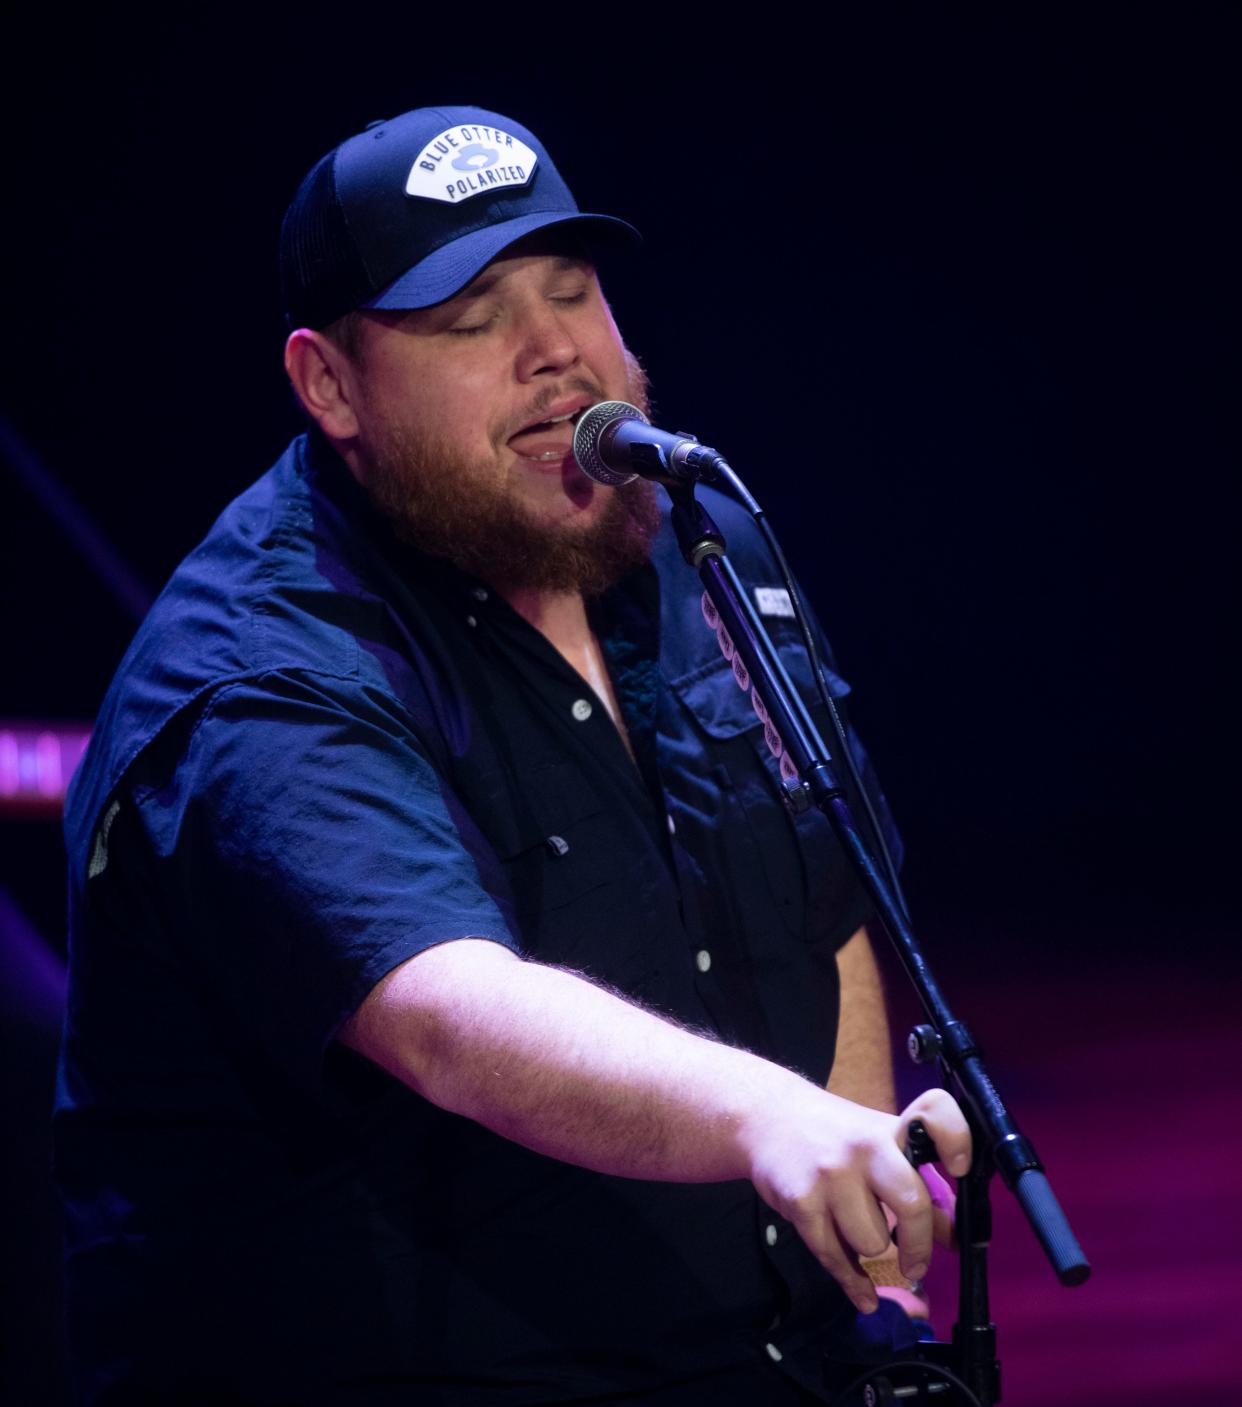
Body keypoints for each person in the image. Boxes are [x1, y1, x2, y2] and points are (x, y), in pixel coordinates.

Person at [56, 105, 970, 1405]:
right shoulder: (259, 665)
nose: (555, 353)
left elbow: (818, 902)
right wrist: (770, 1119)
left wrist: (868, 1258)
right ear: (329, 386)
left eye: (573, 290)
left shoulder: (691, 546)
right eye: (470, 320)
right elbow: (444, 1009)